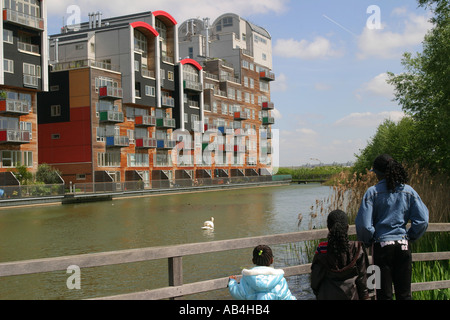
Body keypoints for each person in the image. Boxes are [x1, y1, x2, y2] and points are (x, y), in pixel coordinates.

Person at [355, 154, 429, 300]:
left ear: (377, 173)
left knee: (382, 294)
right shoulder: (408, 191)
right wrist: (410, 236)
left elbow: (364, 225)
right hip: (403, 245)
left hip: (381, 248)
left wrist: (368, 241)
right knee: (405, 294)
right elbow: (422, 220)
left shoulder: (372, 193)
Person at [310, 209, 370, 300]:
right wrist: (365, 296)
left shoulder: (322, 248)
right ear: (347, 227)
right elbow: (362, 279)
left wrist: (318, 293)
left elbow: (315, 278)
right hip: (352, 296)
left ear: (328, 228)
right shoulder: (357, 247)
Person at [228, 245, 296, 300]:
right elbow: (287, 297)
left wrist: (232, 282)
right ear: (272, 260)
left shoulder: (247, 278)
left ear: (253, 261)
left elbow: (237, 294)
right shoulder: (279, 279)